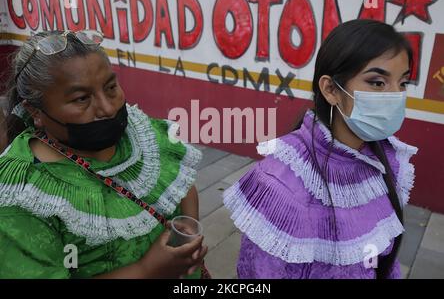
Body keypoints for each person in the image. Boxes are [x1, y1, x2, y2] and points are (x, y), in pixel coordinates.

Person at [0, 30, 208, 278]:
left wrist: (186, 224)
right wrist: (147, 270)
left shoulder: (141, 133)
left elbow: (183, 186)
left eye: (111, 87)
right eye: (81, 99)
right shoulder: (22, 196)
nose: (108, 108)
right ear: (35, 111)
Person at [224, 19, 418, 279]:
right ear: (330, 90)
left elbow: (384, 262)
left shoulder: (387, 161)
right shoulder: (281, 184)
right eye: (377, 82)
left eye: (403, 83)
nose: (395, 95)